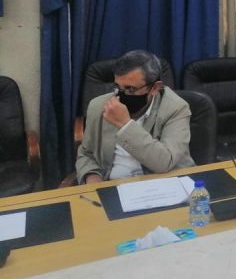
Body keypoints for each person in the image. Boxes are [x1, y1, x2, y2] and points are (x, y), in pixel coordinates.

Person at [76, 50, 195, 184]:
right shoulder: (99, 106)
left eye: (130, 89)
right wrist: (92, 177)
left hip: (164, 183)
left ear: (155, 88)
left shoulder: (176, 108)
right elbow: (86, 153)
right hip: (114, 184)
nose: (122, 94)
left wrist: (125, 125)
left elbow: (164, 163)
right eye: (118, 87)